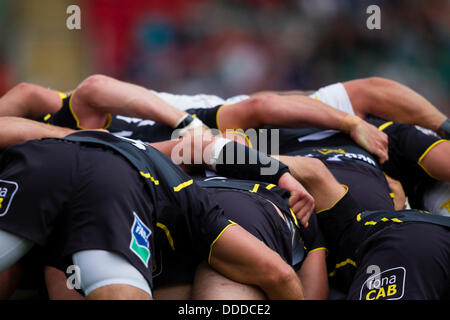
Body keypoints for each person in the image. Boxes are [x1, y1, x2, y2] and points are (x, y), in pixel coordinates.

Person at [0, 117, 311, 300]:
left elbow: (208, 146)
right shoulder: (193, 200)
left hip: (41, 159)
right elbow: (279, 274)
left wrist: (279, 173)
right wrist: (281, 173)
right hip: (110, 184)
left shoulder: (140, 151)